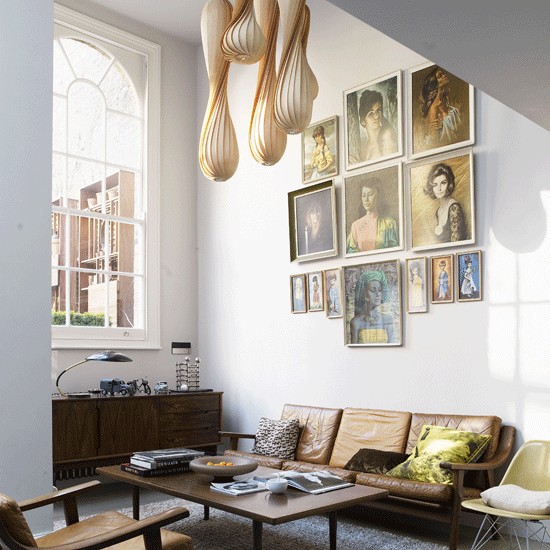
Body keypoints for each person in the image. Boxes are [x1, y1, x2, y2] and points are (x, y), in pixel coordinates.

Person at [346, 179, 399, 253]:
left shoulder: (389, 223)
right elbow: (350, 252)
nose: (366, 200)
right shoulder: (356, 225)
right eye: (363, 195)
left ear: (378, 196)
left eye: (370, 194)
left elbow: (395, 250)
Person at [423, 162, 466, 244]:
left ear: (449, 184)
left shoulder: (454, 207)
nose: (439, 189)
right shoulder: (438, 211)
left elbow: (456, 243)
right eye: (435, 185)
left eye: (443, 183)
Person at [350, 270, 395, 344]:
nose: (378, 294)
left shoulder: (387, 319)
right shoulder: (356, 322)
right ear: (365, 294)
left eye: (380, 290)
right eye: (373, 290)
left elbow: (393, 348)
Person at [420, 66, 462, 147]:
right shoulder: (434, 108)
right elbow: (434, 140)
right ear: (435, 85)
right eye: (440, 76)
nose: (444, 75)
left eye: (443, 74)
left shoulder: (445, 101)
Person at [358, 89, 398, 162]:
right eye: (371, 113)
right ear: (363, 121)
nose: (376, 116)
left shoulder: (387, 136)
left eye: (378, 110)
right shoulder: (364, 148)